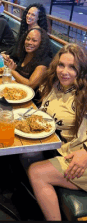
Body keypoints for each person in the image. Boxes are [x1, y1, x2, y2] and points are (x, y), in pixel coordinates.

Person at [27, 44, 87, 221]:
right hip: (68, 150)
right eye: (61, 65)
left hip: (82, 158)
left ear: (82, 70)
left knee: (36, 172)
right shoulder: (56, 85)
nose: (64, 71)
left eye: (72, 67)